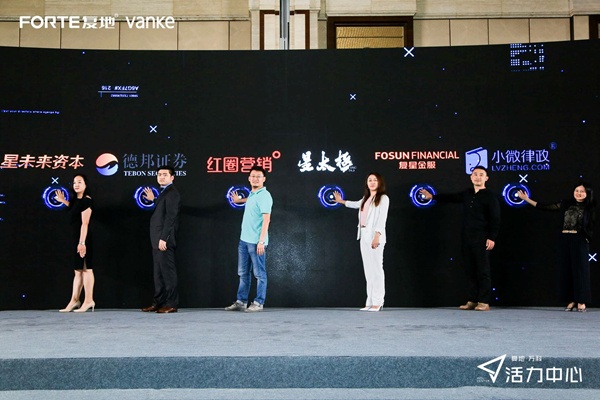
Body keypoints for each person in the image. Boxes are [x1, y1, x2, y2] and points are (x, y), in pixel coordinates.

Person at [420, 166, 501, 311]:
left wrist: (492, 237)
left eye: (481, 175)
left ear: (486, 178)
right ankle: (472, 300)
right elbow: (451, 198)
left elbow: (495, 218)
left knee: (483, 270)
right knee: (470, 270)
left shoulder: (490, 196)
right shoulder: (467, 194)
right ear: (471, 177)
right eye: (475, 174)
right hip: (467, 238)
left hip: (482, 238)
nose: (478, 177)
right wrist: (432, 197)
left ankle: (484, 302)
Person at [517, 183, 595, 312]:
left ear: (587, 193)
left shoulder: (590, 207)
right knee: (567, 271)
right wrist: (527, 199)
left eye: (582, 191)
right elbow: (545, 207)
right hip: (565, 239)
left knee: (581, 271)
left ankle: (581, 300)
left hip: (579, 240)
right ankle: (571, 300)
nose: (579, 193)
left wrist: (586, 238)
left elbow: (592, 225)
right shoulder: (565, 204)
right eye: (576, 190)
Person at [333, 172, 390, 312]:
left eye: (375, 180)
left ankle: (378, 301)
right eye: (370, 180)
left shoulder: (383, 198)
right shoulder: (366, 198)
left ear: (379, 182)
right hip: (363, 235)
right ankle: (369, 301)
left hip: (375, 236)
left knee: (376, 269)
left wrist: (377, 236)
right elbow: (355, 204)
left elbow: (382, 219)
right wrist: (341, 201)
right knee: (368, 270)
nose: (372, 182)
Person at [225, 166, 273, 312]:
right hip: (244, 241)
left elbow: (266, 220)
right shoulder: (253, 194)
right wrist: (240, 200)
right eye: (253, 176)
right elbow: (252, 200)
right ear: (249, 178)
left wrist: (261, 241)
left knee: (259, 274)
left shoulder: (265, 196)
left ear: (264, 179)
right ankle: (241, 301)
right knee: (243, 273)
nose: (255, 179)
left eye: (258, 176)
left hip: (256, 242)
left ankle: (259, 303)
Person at [141, 166, 181, 313]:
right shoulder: (164, 192)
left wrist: (164, 238)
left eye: (165, 174)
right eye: (159, 174)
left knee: (168, 273)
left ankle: (171, 304)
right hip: (156, 239)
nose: (161, 177)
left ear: (172, 177)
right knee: (158, 273)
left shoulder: (172, 193)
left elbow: (171, 217)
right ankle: (158, 302)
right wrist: (154, 200)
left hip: (164, 240)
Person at [55, 174, 95, 313]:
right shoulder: (76, 201)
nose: (76, 185)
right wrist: (63, 201)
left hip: (84, 239)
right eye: (74, 182)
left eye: (79, 182)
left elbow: (85, 223)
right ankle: (75, 300)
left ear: (85, 184)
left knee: (87, 269)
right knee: (77, 270)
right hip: (76, 239)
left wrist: (82, 242)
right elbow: (74, 209)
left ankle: (89, 300)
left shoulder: (87, 201)